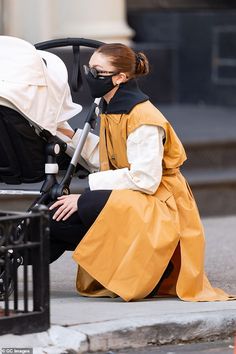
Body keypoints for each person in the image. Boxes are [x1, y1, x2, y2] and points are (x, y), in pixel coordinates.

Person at [49, 43, 233, 302]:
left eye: (97, 71)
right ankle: (16, 257)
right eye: (89, 69)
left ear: (121, 77)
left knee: (88, 201)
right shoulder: (113, 107)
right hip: (136, 196)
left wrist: (82, 198)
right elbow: (111, 154)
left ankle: (156, 270)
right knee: (57, 218)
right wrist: (70, 135)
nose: (90, 75)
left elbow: (145, 178)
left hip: (159, 201)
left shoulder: (144, 117)